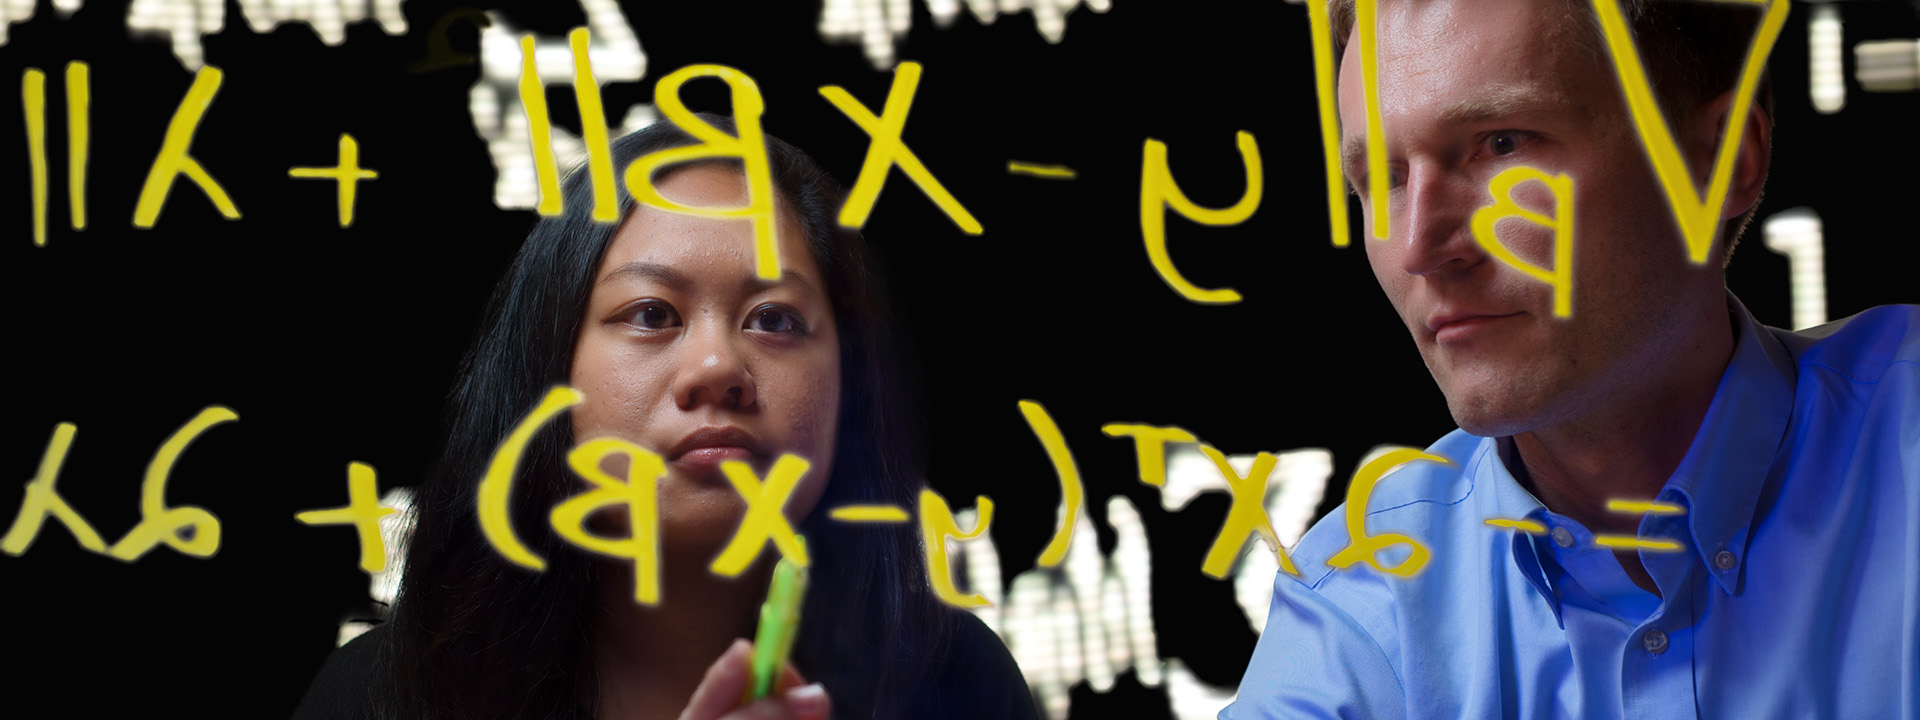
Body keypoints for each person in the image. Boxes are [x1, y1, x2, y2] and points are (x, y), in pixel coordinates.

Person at [1226, 0, 1919, 717]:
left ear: (1719, 159)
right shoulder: (1357, 610)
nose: (1418, 249)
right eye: (1386, 178)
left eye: (1500, 145)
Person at [293, 116, 1039, 720]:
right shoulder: (378, 697)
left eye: (775, 319)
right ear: (546, 370)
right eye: (652, 314)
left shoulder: (961, 684)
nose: (717, 366)